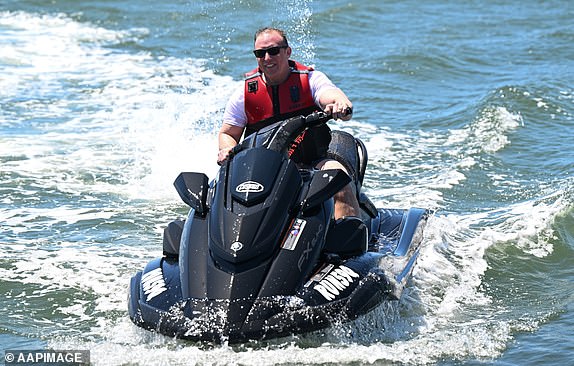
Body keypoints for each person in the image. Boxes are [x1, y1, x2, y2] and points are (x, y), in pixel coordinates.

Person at [217, 27, 360, 220]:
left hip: (312, 163)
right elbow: (228, 134)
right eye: (260, 53)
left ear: (288, 51)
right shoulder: (244, 94)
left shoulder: (310, 79)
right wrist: (226, 150)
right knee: (219, 190)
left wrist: (339, 104)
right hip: (264, 171)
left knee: (338, 180)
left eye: (273, 51)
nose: (267, 58)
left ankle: (348, 243)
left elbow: (330, 94)